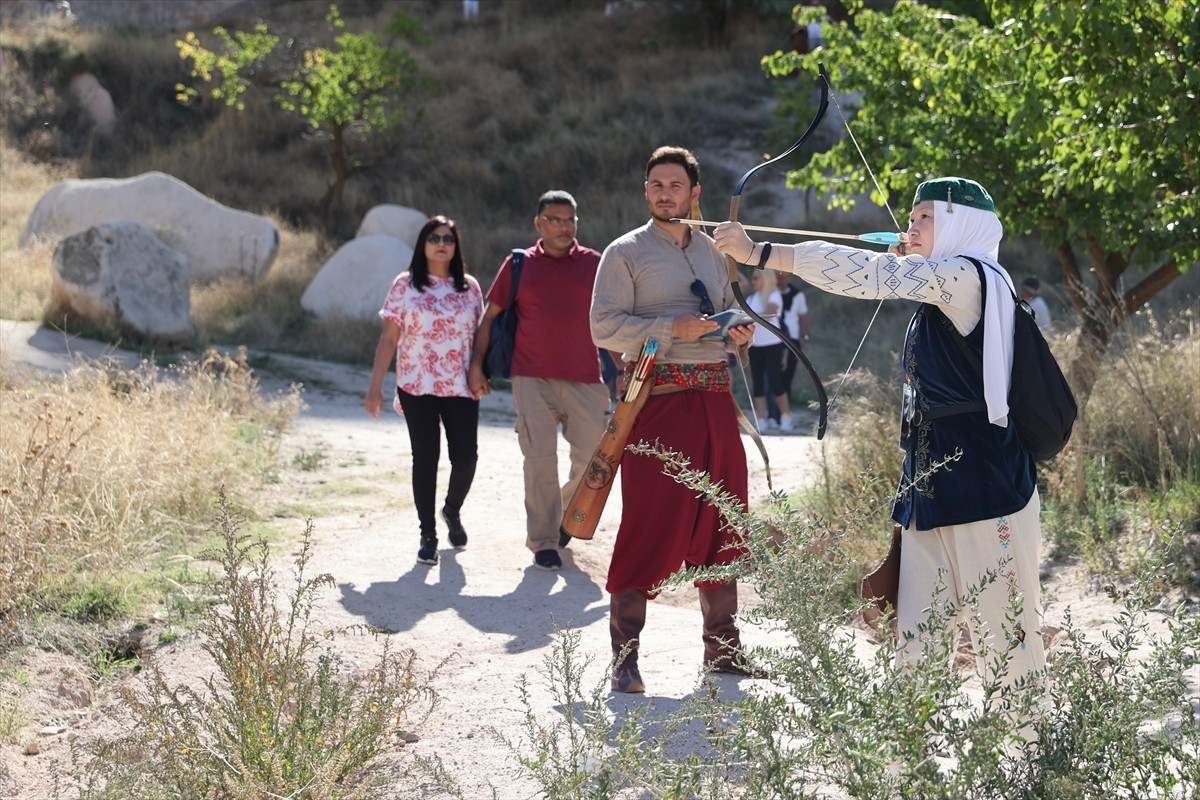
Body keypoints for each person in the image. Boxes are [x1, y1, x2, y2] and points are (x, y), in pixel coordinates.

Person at [713, 177, 1046, 709]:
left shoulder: (970, 277)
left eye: (924, 219)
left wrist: (759, 252)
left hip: (989, 491)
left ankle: (1033, 767)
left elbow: (871, 274)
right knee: (916, 647)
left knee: (1006, 643)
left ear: (961, 225)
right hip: (930, 489)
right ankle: (907, 771)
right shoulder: (939, 286)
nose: (909, 228)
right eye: (909, 219)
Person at [591, 145, 762, 694]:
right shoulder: (625, 253)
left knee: (724, 523)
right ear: (647, 192)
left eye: (674, 185)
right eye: (655, 185)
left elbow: (726, 314)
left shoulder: (714, 253)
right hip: (658, 403)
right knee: (650, 523)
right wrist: (670, 330)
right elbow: (603, 327)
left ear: (695, 193)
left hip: (715, 402)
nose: (664, 192)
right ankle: (625, 659)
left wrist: (738, 334)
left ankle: (723, 651)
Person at [469, 191, 609, 572]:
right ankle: (544, 539)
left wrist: (626, 366)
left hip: (586, 378)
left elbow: (613, 320)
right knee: (539, 461)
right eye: (555, 220)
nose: (564, 227)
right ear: (538, 224)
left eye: (570, 220)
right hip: (531, 379)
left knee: (592, 462)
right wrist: (476, 366)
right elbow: (490, 317)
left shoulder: (596, 264)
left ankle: (564, 514)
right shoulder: (519, 265)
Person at [366, 215, 484, 567]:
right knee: (426, 459)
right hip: (416, 384)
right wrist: (375, 388)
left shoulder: (470, 288)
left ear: (455, 246)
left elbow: (480, 338)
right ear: (423, 243)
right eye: (433, 237)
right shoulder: (405, 285)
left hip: (461, 386)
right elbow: (389, 338)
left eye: (448, 238)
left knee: (465, 459)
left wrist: (481, 371)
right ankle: (428, 534)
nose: (441, 243)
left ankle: (451, 509)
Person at [746, 269, 792, 432]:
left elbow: (770, 312)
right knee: (757, 383)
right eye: (753, 278)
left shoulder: (773, 294)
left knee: (775, 381)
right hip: (755, 346)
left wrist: (748, 317)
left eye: (756, 278)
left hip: (773, 344)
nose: (753, 281)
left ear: (766, 278)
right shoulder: (750, 299)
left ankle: (785, 417)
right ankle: (761, 419)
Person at [772, 270, 810, 427]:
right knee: (773, 377)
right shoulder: (769, 293)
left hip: (792, 339)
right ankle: (772, 416)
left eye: (784, 273)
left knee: (786, 378)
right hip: (773, 339)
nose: (781, 276)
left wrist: (804, 337)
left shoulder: (798, 295)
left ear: (790, 276)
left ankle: (783, 416)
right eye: (777, 273)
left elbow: (804, 318)